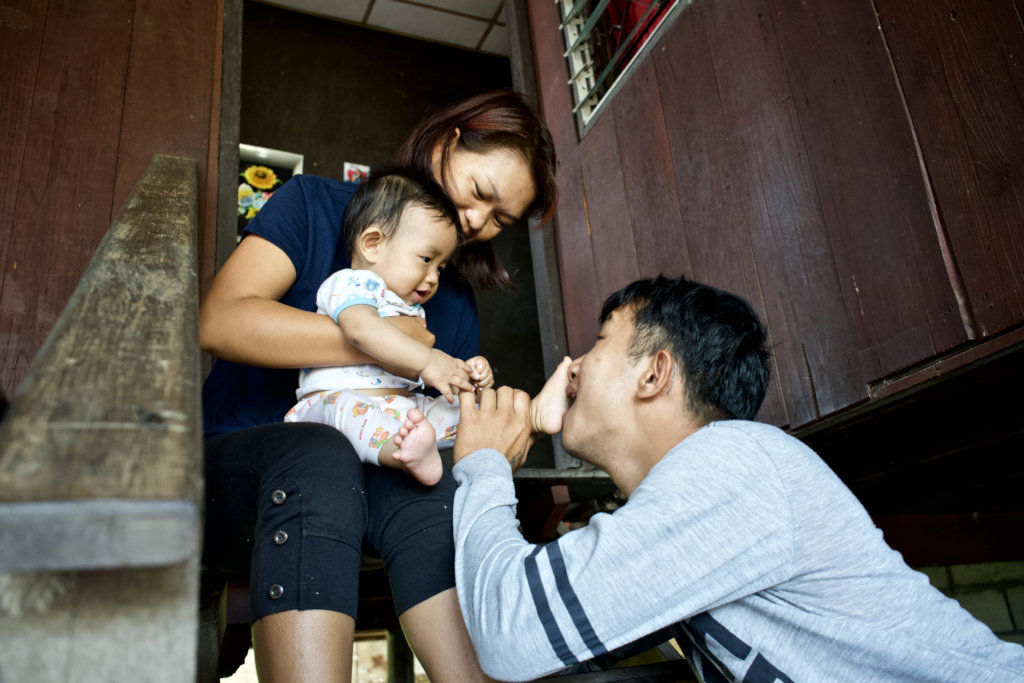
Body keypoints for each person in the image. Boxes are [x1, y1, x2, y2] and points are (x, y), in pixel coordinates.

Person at [450, 275, 1024, 682]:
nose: (572, 366)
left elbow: (512, 628)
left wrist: (483, 466)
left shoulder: (735, 463)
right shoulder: (703, 496)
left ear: (654, 373)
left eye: (600, 341)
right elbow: (543, 644)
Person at [199, 89, 556, 682]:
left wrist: (491, 439)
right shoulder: (314, 205)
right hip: (238, 486)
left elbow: (432, 422)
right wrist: (397, 344)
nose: (475, 222)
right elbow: (222, 320)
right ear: (448, 142)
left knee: (435, 491)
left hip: (367, 500)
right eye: (479, 193)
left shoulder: (449, 295)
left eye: (500, 220)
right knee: (319, 454)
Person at [283, 170, 495, 487]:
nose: (434, 276)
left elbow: (418, 373)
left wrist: (465, 375)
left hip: (400, 408)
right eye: (426, 258)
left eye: (440, 266)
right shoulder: (351, 283)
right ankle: (404, 451)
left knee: (467, 411)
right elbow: (361, 330)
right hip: (330, 404)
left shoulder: (409, 309)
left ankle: (522, 415)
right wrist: (427, 360)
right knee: (349, 411)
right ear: (372, 244)